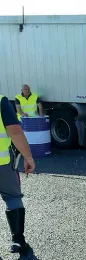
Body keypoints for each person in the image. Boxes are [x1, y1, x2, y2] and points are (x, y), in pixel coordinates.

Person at [0, 94, 37, 258]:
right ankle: (18, 241)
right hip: (2, 163)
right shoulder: (1, 101)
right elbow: (14, 131)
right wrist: (28, 157)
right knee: (13, 198)